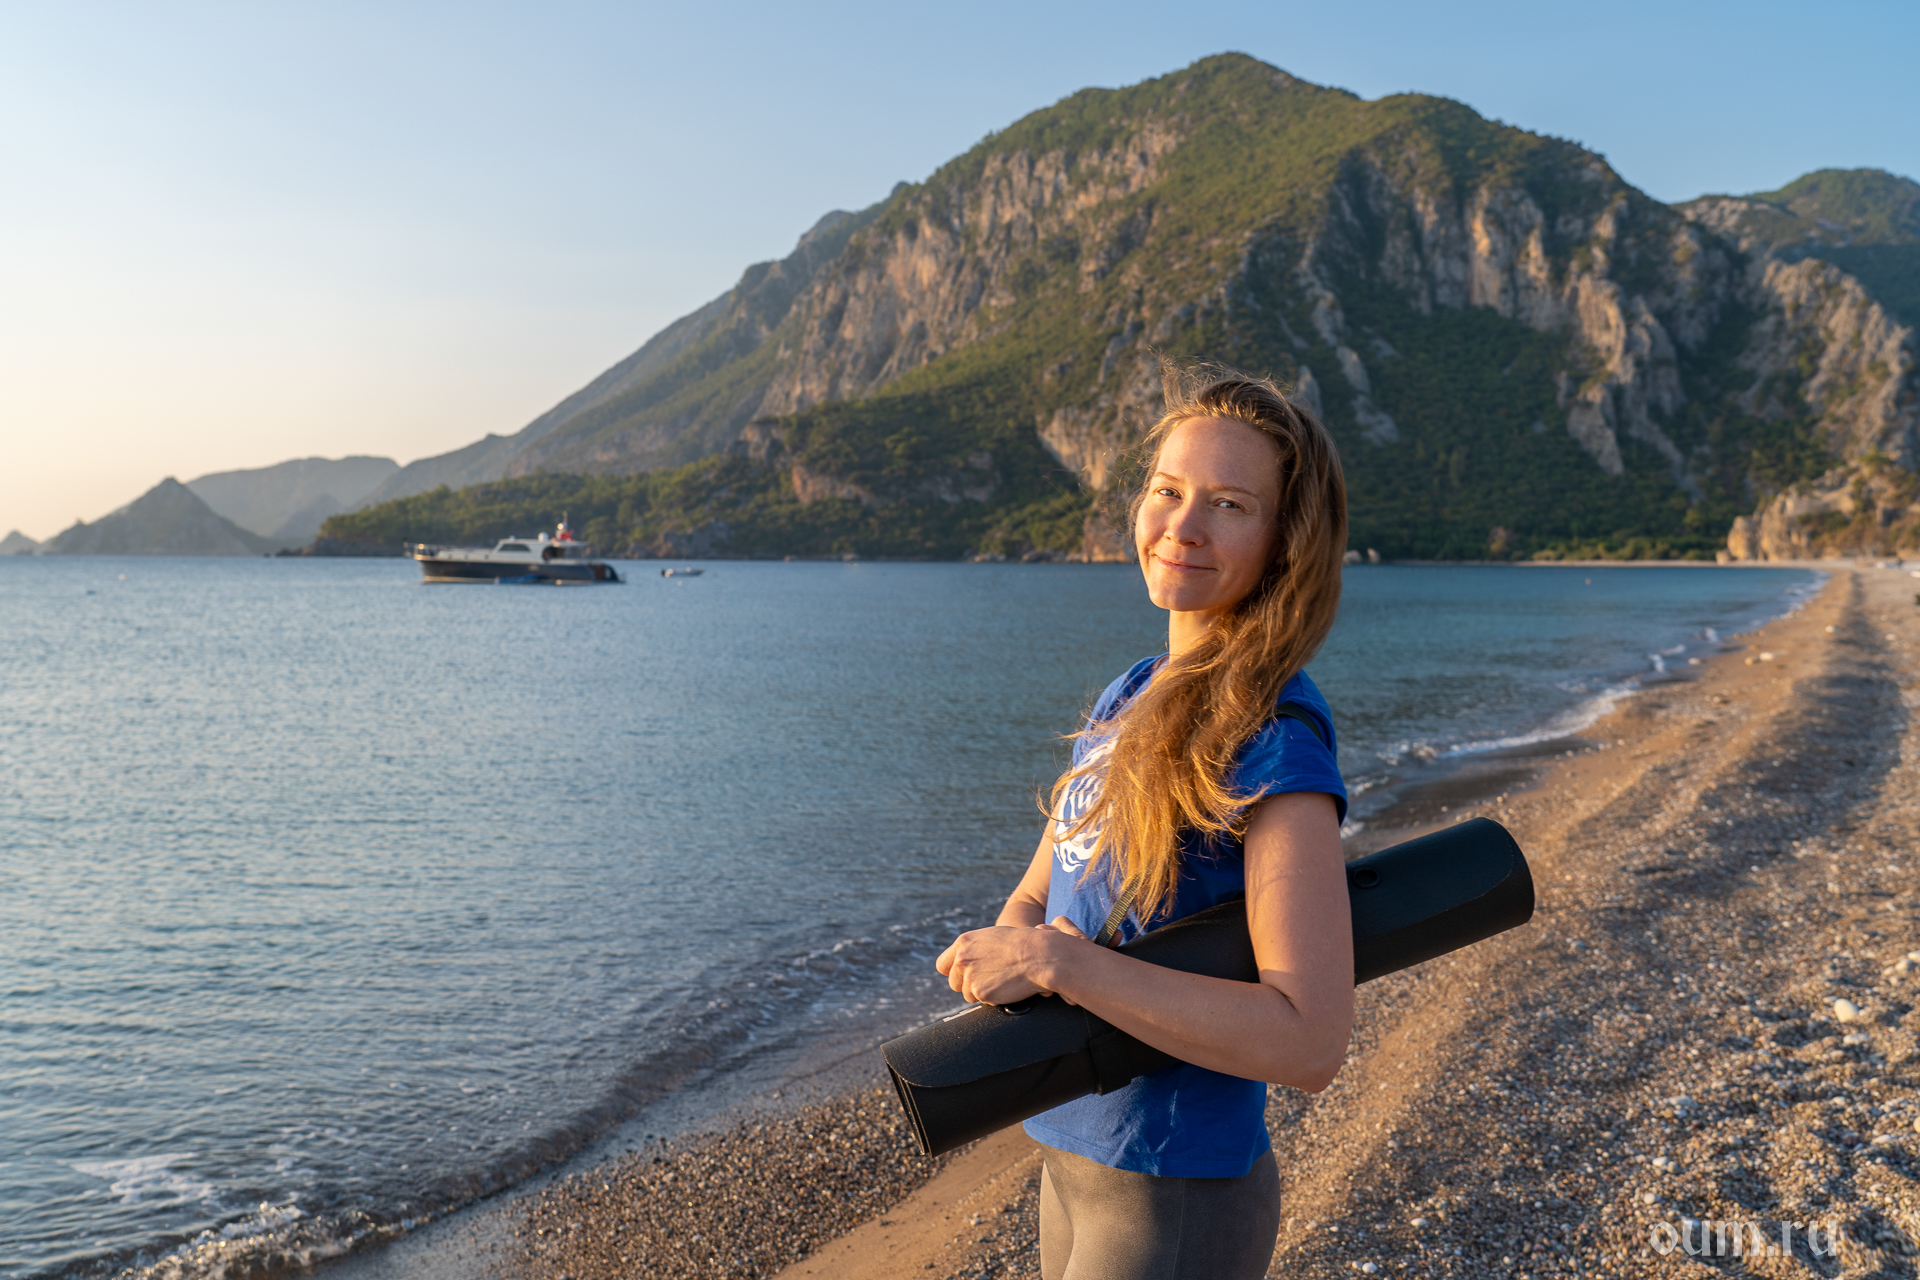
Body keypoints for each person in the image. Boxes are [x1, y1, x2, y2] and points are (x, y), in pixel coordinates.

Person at [936, 365, 1353, 1280]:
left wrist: (1060, 964)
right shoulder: (1131, 691)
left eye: (1230, 505)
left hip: (1173, 1188)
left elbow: (1310, 1038)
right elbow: (1041, 893)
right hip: (1069, 1153)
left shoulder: (1275, 741)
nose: (1183, 526)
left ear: (1285, 541)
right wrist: (1008, 963)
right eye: (1168, 490)